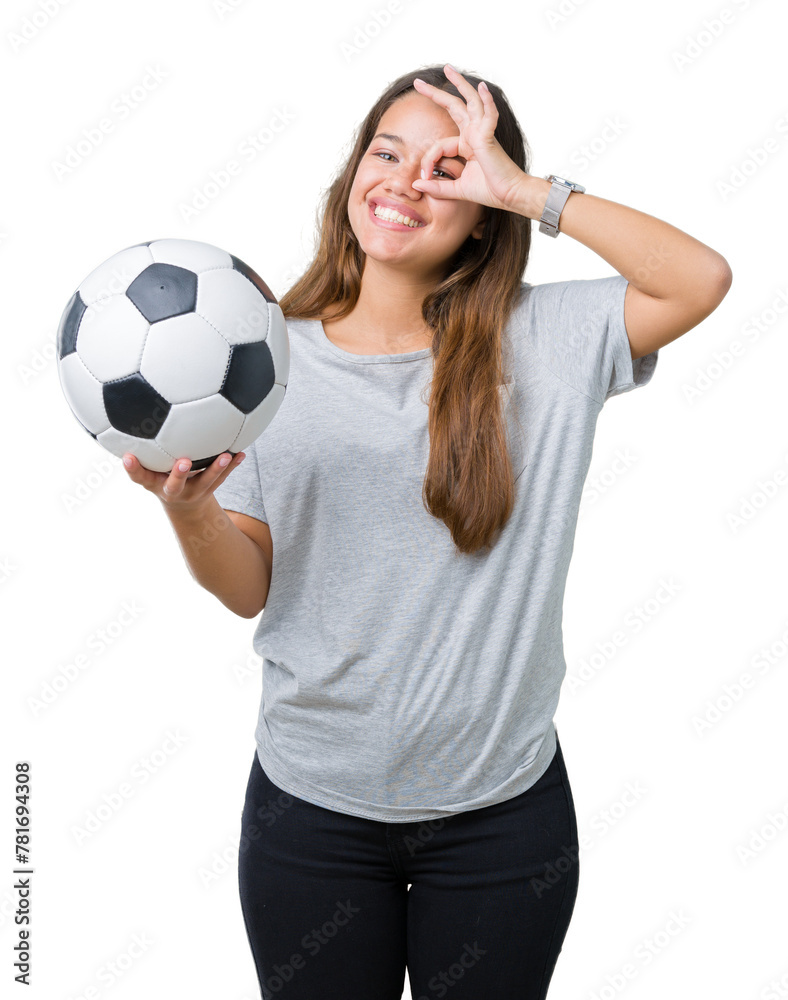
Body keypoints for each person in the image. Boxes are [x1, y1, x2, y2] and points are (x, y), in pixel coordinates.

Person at [122, 63, 732, 1000]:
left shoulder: (550, 340)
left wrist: (528, 191)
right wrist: (193, 512)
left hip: (502, 817)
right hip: (311, 813)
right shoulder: (261, 361)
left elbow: (701, 278)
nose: (405, 182)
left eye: (446, 167)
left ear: (483, 208)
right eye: (386, 152)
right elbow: (250, 587)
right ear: (351, 174)